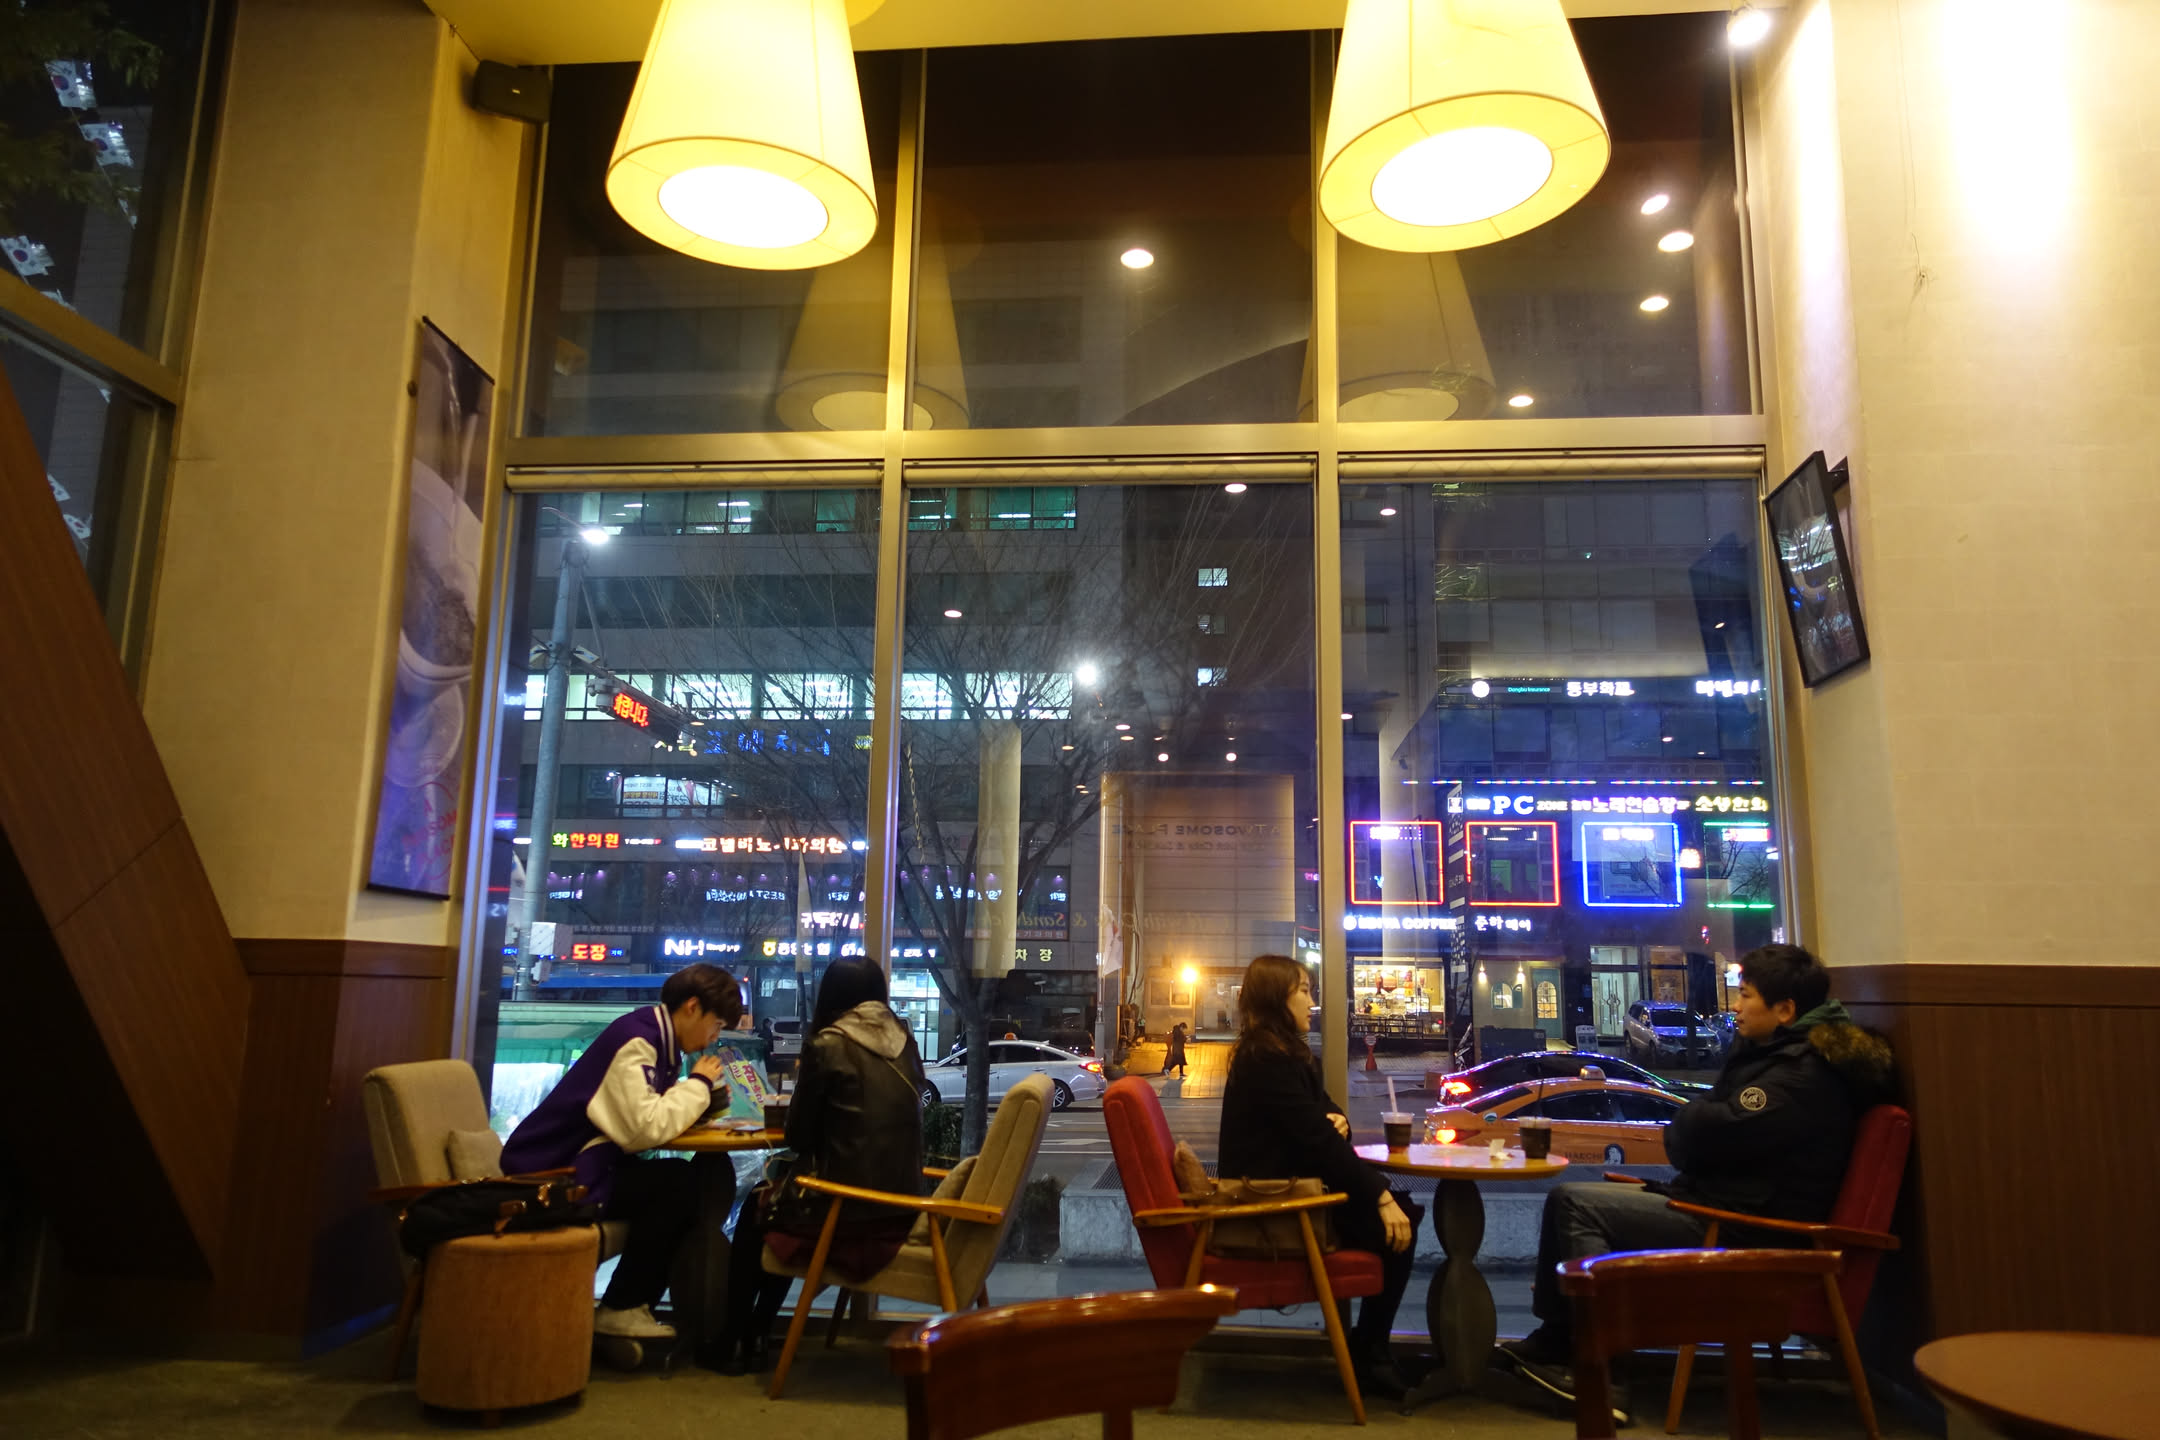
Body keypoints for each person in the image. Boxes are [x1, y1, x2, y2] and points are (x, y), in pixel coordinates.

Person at [1498, 943, 1894, 1414]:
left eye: (1746, 995)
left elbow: (1704, 1138)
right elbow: (1708, 1134)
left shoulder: (1798, 1078)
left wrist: (1695, 1124)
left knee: (1576, 1205)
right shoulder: (1780, 1060)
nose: (1735, 1007)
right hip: (1732, 1210)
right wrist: (1699, 1124)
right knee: (1569, 1199)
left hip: (1746, 1231)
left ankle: (1600, 1373)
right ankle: (1557, 1341)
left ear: (1785, 1010)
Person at [501, 962, 742, 1342]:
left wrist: (701, 1099)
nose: (714, 1038)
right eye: (717, 1025)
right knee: (679, 1185)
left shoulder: (656, 1040)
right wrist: (697, 1084)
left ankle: (634, 1307)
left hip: (588, 1169)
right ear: (693, 1007)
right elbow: (642, 1130)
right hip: (554, 1177)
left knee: (683, 1181)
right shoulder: (638, 1041)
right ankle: (624, 1306)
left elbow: (643, 1117)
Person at [1218, 954, 1422, 1398]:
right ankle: (1370, 1353)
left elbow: (1327, 1114)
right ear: (1277, 998)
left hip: (1293, 1191)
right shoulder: (1265, 1059)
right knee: (1399, 1222)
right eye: (1304, 991)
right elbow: (1318, 1140)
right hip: (1271, 1206)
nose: (1312, 1002)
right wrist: (1380, 1197)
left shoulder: (1284, 1053)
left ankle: (1369, 1348)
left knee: (1405, 1211)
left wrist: (1338, 1121)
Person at [720, 959, 926, 1373]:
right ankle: (756, 1332)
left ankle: (734, 1339)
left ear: (830, 996)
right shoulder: (906, 1041)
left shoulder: (828, 1044)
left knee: (761, 1211)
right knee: (778, 1204)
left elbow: (798, 1137)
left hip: (846, 1211)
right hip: (903, 1207)